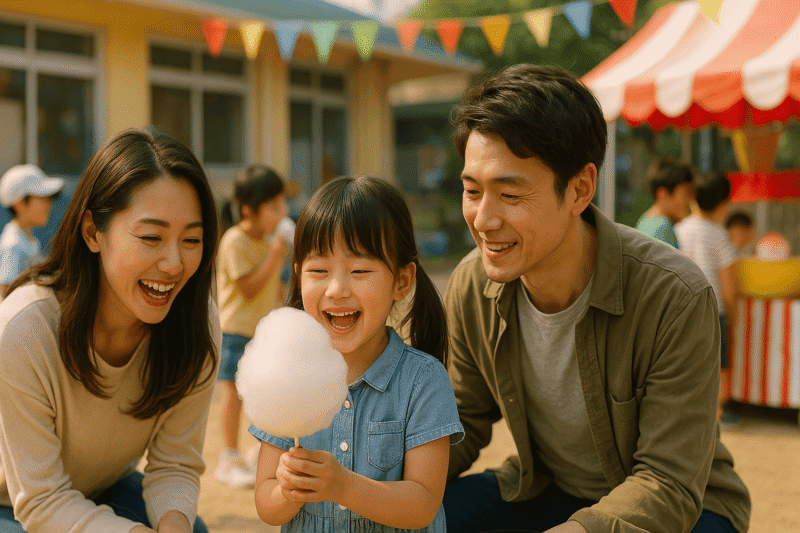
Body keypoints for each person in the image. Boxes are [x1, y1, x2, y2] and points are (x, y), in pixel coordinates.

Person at [443, 64, 750, 533]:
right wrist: (369, 483)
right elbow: (461, 417)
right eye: (471, 190)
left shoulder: (675, 296)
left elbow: (667, 480)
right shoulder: (471, 287)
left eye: (509, 193)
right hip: (547, 490)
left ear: (580, 190)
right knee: (423, 515)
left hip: (683, 509)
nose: (483, 219)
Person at [0, 127, 221, 533]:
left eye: (192, 239)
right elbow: (42, 499)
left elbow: (174, 462)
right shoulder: (24, 328)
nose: (174, 264)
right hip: (13, 503)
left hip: (104, 486)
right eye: (151, 237)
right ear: (92, 232)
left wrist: (174, 525)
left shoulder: (196, 322)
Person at [249, 176, 464, 532]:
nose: (336, 290)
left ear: (401, 281)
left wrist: (342, 485)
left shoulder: (423, 381)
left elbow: (423, 505)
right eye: (318, 271)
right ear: (299, 276)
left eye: (360, 271)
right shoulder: (287, 372)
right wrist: (287, 489)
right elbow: (266, 505)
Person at [216, 164, 289, 488]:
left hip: (261, 332)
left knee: (263, 391)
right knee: (234, 393)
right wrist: (275, 257)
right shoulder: (235, 241)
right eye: (273, 208)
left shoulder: (267, 241)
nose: (282, 213)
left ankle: (257, 450)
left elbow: (274, 288)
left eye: (282, 205)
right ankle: (228, 457)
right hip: (235, 330)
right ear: (248, 210)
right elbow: (247, 288)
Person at [676, 173, 741, 424]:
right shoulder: (719, 235)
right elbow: (728, 285)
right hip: (713, 307)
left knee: (685, 359)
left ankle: (689, 410)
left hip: (682, 305)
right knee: (718, 363)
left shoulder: (679, 229)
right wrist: (733, 318)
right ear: (724, 205)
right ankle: (719, 413)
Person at [0, 164, 64, 294]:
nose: (49, 205)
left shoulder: (28, 237)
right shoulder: (13, 244)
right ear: (20, 203)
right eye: (43, 198)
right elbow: (6, 291)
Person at [635, 155, 696, 248]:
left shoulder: (644, 222)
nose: (691, 200)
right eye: (686, 194)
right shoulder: (662, 229)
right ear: (663, 194)